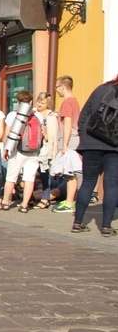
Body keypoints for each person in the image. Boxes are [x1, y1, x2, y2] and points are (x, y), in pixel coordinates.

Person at [71, 75, 118, 236]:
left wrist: (83, 137)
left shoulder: (101, 89)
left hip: (91, 142)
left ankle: (77, 223)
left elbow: (84, 115)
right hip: (114, 145)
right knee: (111, 185)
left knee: (88, 182)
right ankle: (106, 227)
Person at [0, 91, 44, 212]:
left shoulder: (13, 115)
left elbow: (7, 134)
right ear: (31, 102)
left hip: (17, 151)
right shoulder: (38, 116)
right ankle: (24, 205)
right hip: (34, 151)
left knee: (11, 177)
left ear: (18, 102)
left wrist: (5, 149)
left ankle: (5, 202)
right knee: (29, 178)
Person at [53, 75, 81, 212]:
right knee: (71, 173)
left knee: (70, 173)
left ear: (63, 87)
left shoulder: (67, 103)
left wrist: (64, 144)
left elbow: (68, 123)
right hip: (73, 138)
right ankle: (70, 200)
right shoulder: (74, 101)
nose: (56, 90)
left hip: (69, 139)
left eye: (57, 87)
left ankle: (70, 202)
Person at [33, 92, 59, 209]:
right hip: (32, 148)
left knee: (44, 174)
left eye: (42, 103)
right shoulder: (33, 114)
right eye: (38, 101)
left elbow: (51, 138)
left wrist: (44, 132)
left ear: (48, 104)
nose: (39, 104)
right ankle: (30, 197)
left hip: (44, 149)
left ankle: (45, 198)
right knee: (32, 174)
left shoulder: (51, 117)